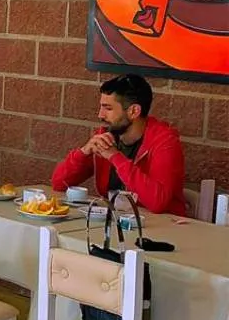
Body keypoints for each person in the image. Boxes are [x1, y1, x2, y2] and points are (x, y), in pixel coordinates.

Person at [52, 74, 186, 215]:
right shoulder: (106, 135)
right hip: (117, 220)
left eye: (108, 108)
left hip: (163, 225)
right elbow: (59, 184)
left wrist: (115, 157)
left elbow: (158, 202)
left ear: (134, 111)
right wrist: (84, 152)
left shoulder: (165, 142)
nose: (100, 115)